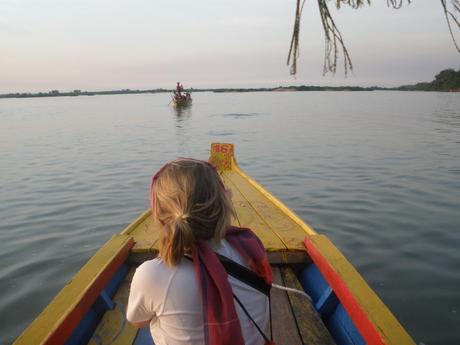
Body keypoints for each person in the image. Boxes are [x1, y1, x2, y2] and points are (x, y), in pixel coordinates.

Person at [126, 158, 272, 345]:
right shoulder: (248, 248)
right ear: (224, 203)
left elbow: (138, 322)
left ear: (160, 215)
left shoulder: (151, 274)